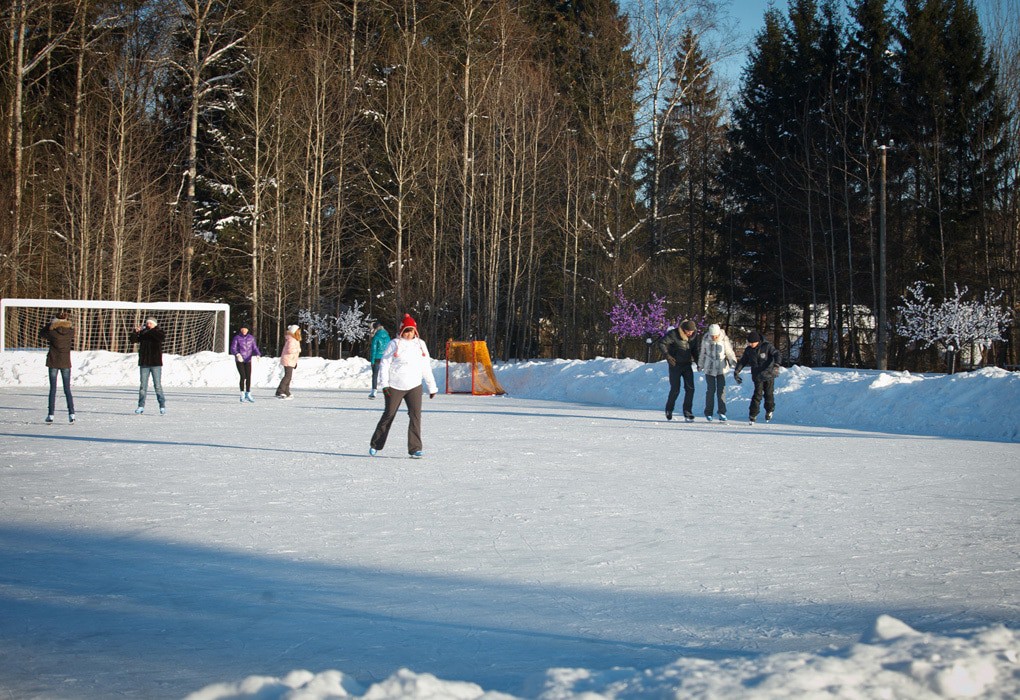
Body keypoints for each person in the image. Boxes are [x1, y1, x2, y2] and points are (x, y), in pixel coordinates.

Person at [369, 314, 438, 458]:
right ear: (401, 331)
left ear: (415, 331)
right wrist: (385, 385)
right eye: (406, 330)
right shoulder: (394, 343)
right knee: (389, 414)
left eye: (411, 330)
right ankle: (376, 444)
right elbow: (385, 364)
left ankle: (415, 448)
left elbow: (426, 367)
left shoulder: (420, 344)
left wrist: (432, 387)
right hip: (395, 386)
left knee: (415, 416)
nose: (408, 334)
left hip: (414, 385)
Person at [656, 319, 701, 421]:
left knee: (690, 389)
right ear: (684, 329)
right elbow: (662, 343)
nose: (690, 333)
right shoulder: (674, 334)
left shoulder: (693, 336)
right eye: (688, 331)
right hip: (675, 365)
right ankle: (669, 409)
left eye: (692, 331)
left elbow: (694, 350)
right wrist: (667, 356)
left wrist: (698, 362)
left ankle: (687, 411)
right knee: (675, 389)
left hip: (687, 365)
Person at [734, 330, 782, 424]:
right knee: (757, 395)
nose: (751, 344)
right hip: (757, 376)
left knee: (768, 394)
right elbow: (743, 361)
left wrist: (776, 365)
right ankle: (753, 414)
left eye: (753, 342)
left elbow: (777, 354)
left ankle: (769, 410)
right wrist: (737, 371)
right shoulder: (749, 350)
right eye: (749, 343)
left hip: (768, 374)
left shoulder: (767, 346)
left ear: (758, 341)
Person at [40, 311, 76, 424]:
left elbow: (42, 333)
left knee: (53, 389)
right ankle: (72, 414)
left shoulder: (52, 332)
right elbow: (70, 328)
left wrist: (50, 324)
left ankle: (51, 415)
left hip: (53, 362)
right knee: (67, 389)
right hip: (65, 362)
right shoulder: (70, 332)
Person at [698, 323, 736, 422]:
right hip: (709, 367)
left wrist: (733, 361)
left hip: (721, 367)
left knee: (721, 390)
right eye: (712, 336)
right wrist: (700, 364)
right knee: (711, 390)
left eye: (716, 336)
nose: (714, 337)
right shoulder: (706, 339)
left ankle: (722, 412)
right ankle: (708, 412)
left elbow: (729, 351)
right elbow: (702, 353)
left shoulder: (724, 338)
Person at [131, 317, 166, 415]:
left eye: (150, 323)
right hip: (144, 363)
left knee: (157, 386)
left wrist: (149, 330)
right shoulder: (143, 333)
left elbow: (160, 338)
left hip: (155, 364)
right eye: (147, 323)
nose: (148, 325)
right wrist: (135, 332)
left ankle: (162, 405)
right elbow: (133, 340)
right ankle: (140, 406)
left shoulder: (158, 332)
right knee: (143, 386)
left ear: (154, 324)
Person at [230, 326, 261, 403]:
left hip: (248, 359)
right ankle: (242, 393)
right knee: (243, 376)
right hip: (240, 360)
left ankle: (248, 393)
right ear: (241, 330)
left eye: (246, 329)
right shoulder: (237, 337)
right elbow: (233, 348)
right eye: (243, 329)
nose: (244, 330)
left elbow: (254, 347)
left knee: (248, 377)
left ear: (247, 330)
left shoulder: (251, 338)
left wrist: (258, 354)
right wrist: (237, 354)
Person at [275, 324, 301, 399]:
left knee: (288, 377)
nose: (299, 332)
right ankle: (280, 391)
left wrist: (295, 362)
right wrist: (298, 350)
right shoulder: (292, 340)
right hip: (288, 360)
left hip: (291, 360)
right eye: (298, 331)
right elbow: (290, 350)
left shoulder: (294, 339)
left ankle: (286, 391)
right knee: (287, 376)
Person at [368, 321, 391, 399]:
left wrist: (372, 360)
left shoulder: (376, 337)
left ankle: (374, 391)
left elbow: (373, 350)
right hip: (385, 358)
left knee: (375, 375)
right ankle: (389, 391)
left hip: (377, 358)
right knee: (385, 375)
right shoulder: (388, 337)